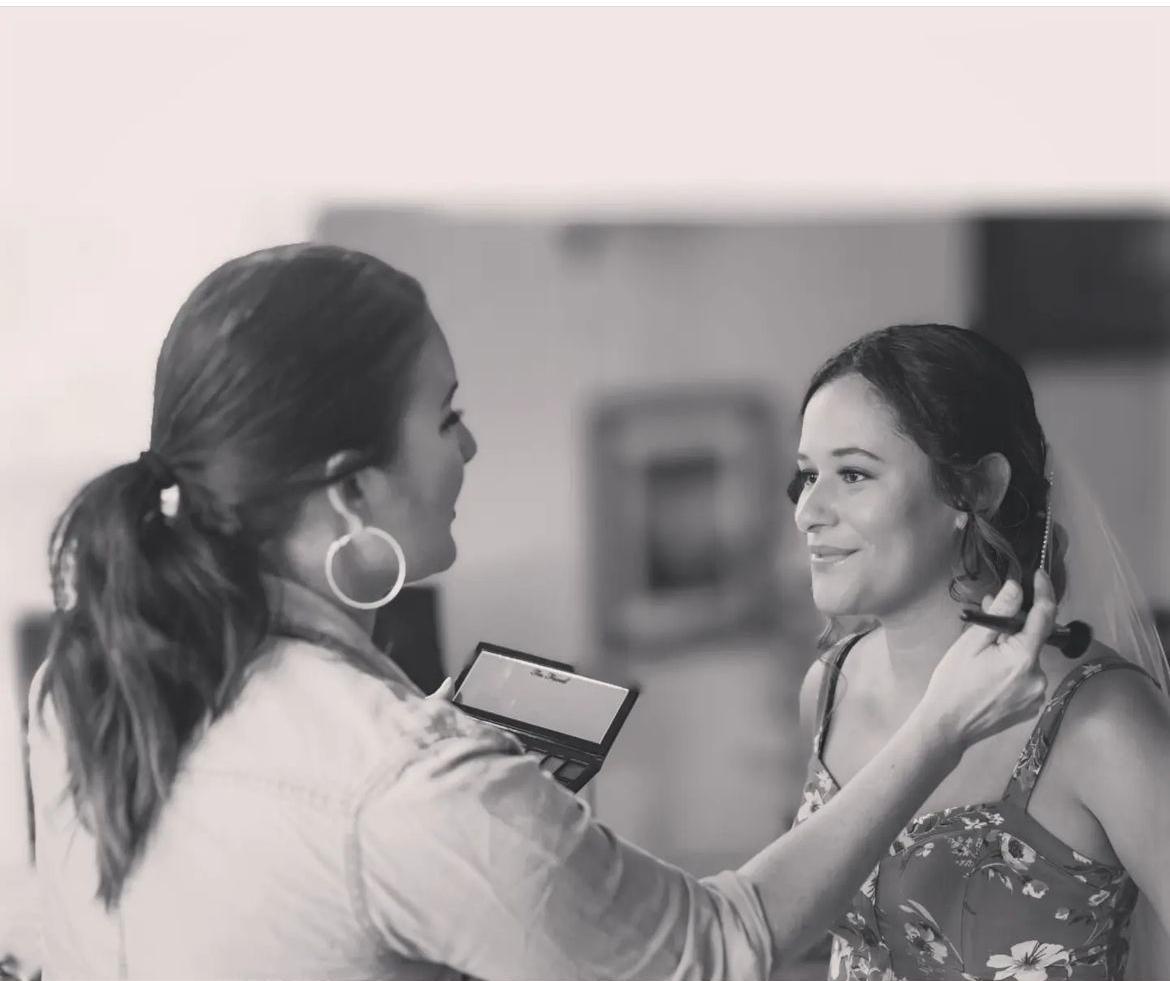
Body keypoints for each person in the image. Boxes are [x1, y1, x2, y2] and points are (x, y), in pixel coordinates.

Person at [30, 247, 1052, 981]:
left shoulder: (83, 674)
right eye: (446, 416)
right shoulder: (412, 786)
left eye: (852, 474)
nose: (469, 447)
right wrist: (938, 727)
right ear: (349, 489)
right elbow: (722, 946)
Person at [789, 324, 1170, 981]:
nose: (807, 511)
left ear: (977, 488)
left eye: (852, 474)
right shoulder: (828, 688)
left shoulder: (1098, 721)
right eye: (806, 476)